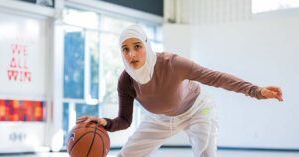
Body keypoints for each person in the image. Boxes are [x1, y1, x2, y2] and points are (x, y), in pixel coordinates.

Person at [77, 25, 283, 157]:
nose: (131, 54)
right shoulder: (126, 80)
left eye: (137, 46)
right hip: (160, 118)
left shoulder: (172, 64)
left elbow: (216, 77)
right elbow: (125, 120)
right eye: (125, 49)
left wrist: (256, 91)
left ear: (147, 46)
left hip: (198, 110)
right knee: (126, 155)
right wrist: (107, 123)